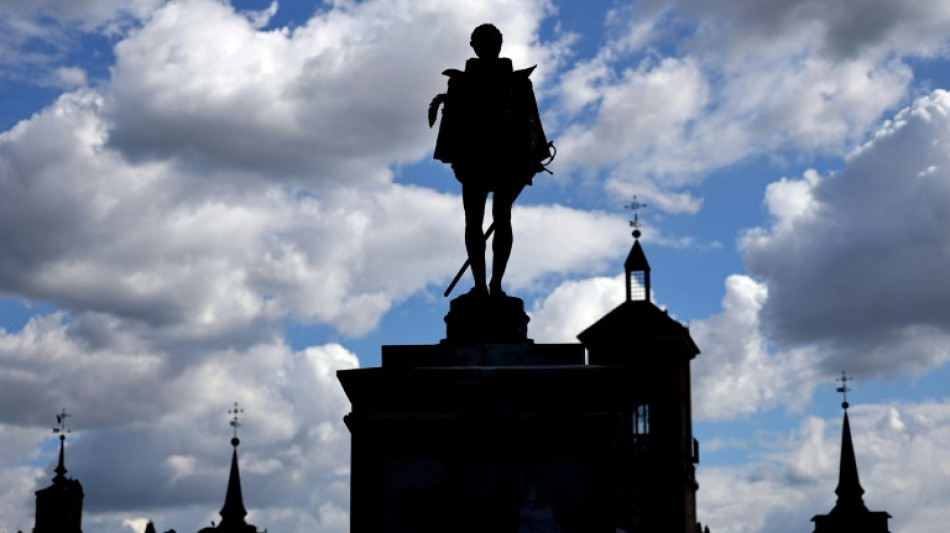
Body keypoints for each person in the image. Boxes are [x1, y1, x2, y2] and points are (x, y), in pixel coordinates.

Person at [430, 23, 551, 297]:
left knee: (501, 218)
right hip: (473, 161)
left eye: (492, 41)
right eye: (483, 42)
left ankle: (494, 285)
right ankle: (481, 286)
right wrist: (452, 153)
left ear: (499, 45)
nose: (488, 46)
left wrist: (534, 155)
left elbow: (532, 122)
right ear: (474, 46)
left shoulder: (519, 82)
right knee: (474, 222)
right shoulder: (460, 82)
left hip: (507, 161)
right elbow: (451, 123)